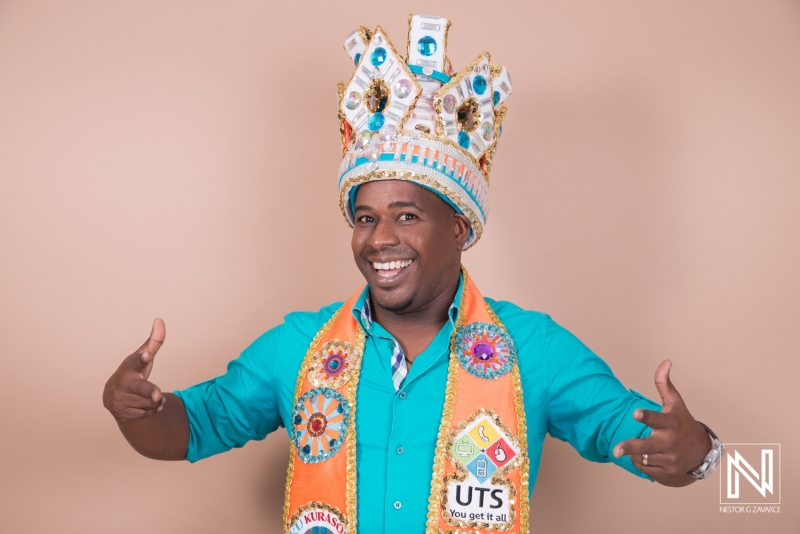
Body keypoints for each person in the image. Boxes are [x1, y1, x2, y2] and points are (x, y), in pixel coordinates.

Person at [102, 14, 723, 534]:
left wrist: (693, 451)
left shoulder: (532, 347)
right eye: (365, 218)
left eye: (406, 215)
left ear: (458, 228)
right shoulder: (298, 346)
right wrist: (137, 411)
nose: (381, 240)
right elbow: (192, 428)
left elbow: (636, 435)